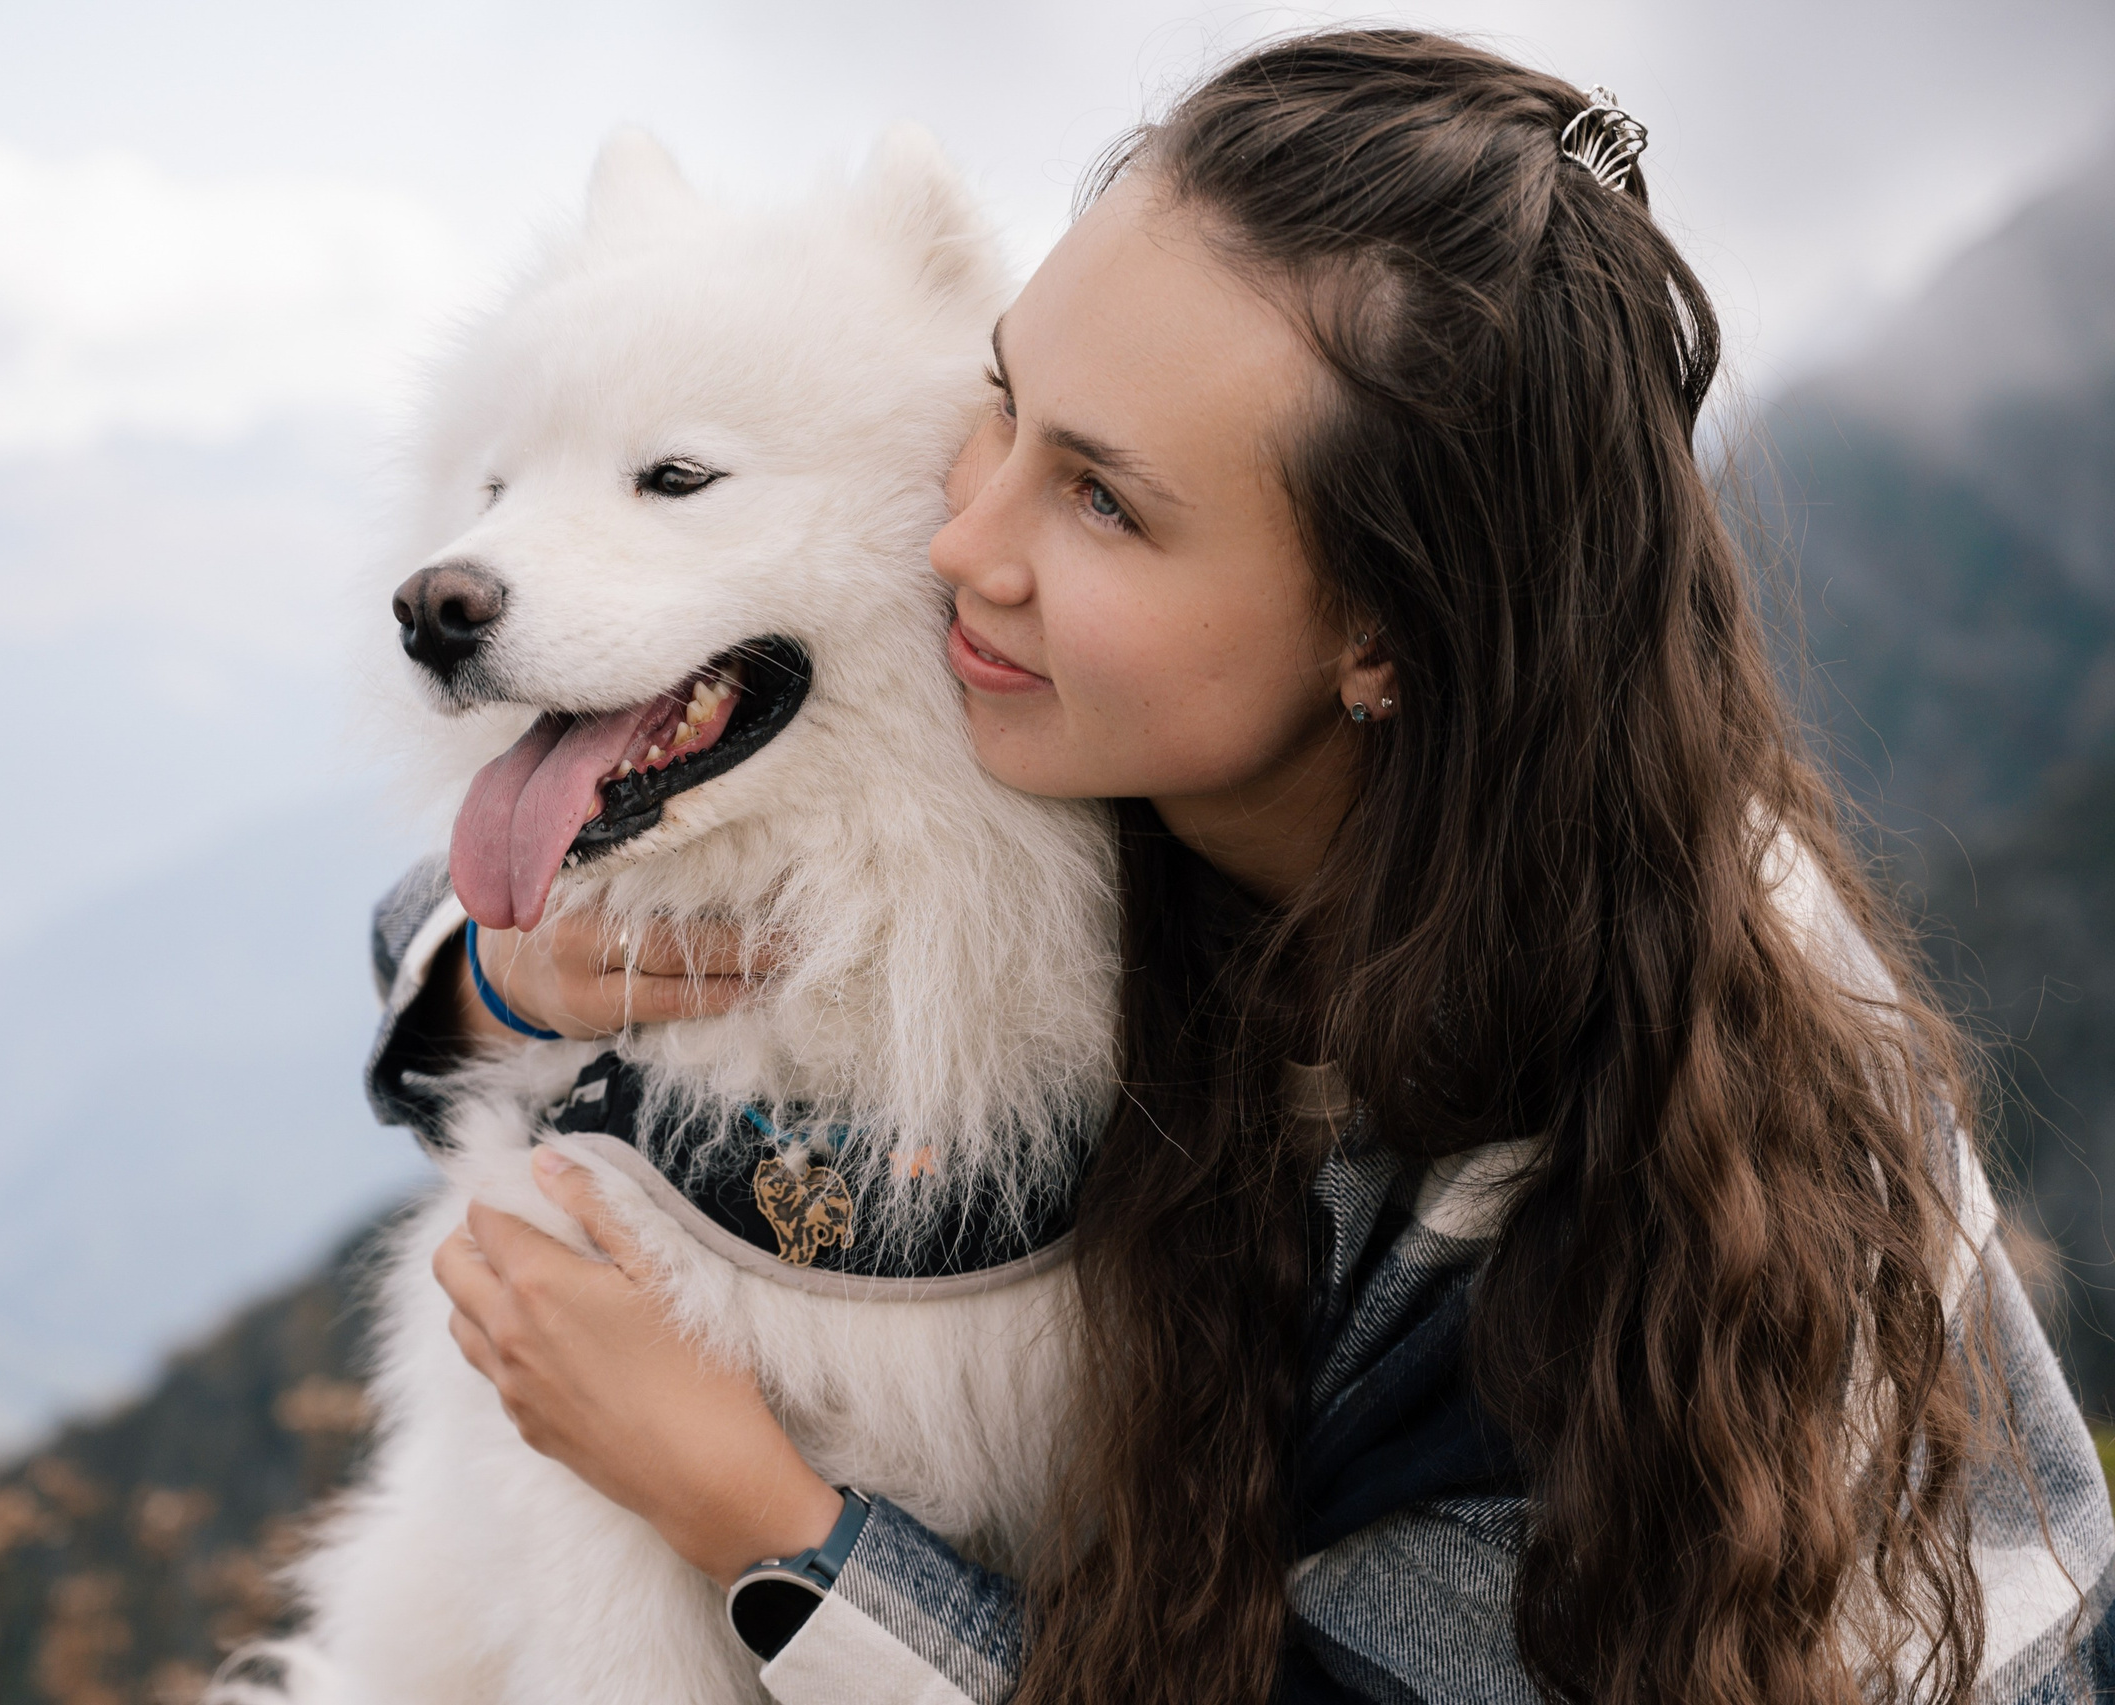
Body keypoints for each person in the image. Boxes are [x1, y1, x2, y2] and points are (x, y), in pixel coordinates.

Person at [371, 30, 2115, 1705]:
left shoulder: (1613, 1175)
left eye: (1106, 502)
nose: (957, 536)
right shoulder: (1174, 747)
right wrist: (494, 961)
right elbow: (638, 851)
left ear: (1381, 633)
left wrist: (758, 1516)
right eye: (1005, 402)